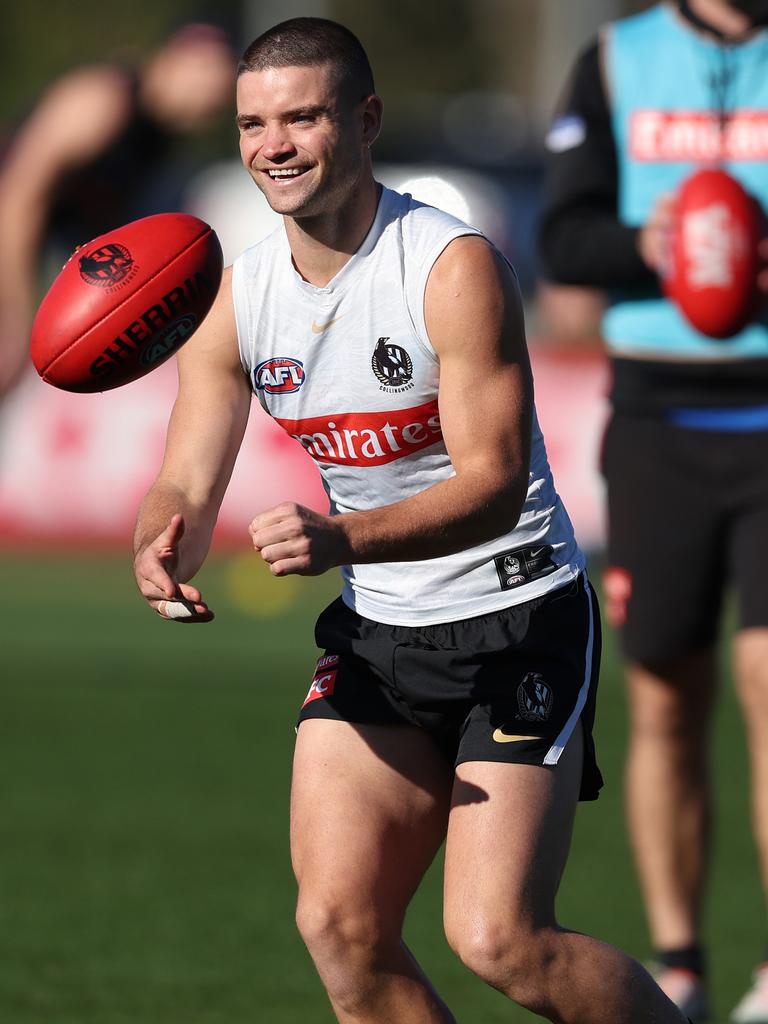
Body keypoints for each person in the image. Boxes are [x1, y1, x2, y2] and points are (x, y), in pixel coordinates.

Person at [132, 17, 690, 1024]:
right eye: (254, 122)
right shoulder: (237, 294)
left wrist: (340, 538)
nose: (275, 144)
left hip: (517, 619)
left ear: (366, 119)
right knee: (339, 927)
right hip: (381, 634)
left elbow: (491, 480)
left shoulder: (448, 264)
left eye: (302, 116)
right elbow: (187, 472)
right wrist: (161, 537)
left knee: (501, 940)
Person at [539, 2, 768, 1021]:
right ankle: (681, 958)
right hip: (657, 420)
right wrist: (659, 239)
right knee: (666, 700)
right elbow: (564, 235)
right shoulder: (616, 60)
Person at [0, 20, 235, 398]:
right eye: (211, 75)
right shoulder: (103, 102)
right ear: (183, 54)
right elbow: (17, 197)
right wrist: (14, 317)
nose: (214, 98)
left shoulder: (159, 142)